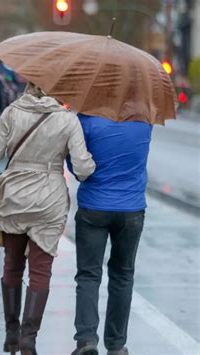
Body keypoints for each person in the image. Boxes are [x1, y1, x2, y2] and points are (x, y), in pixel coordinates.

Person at [0, 83, 95, 355]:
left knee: (12, 265)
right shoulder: (67, 120)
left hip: (15, 195)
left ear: (31, 85)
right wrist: (90, 164)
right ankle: (28, 339)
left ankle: (11, 334)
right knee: (41, 270)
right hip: (49, 199)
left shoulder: (12, 112)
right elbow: (82, 168)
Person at [69, 114, 152, 355]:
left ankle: (86, 340)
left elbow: (76, 165)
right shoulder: (144, 123)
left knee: (88, 275)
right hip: (131, 209)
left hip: (93, 207)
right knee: (123, 275)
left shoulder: (85, 122)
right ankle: (116, 345)